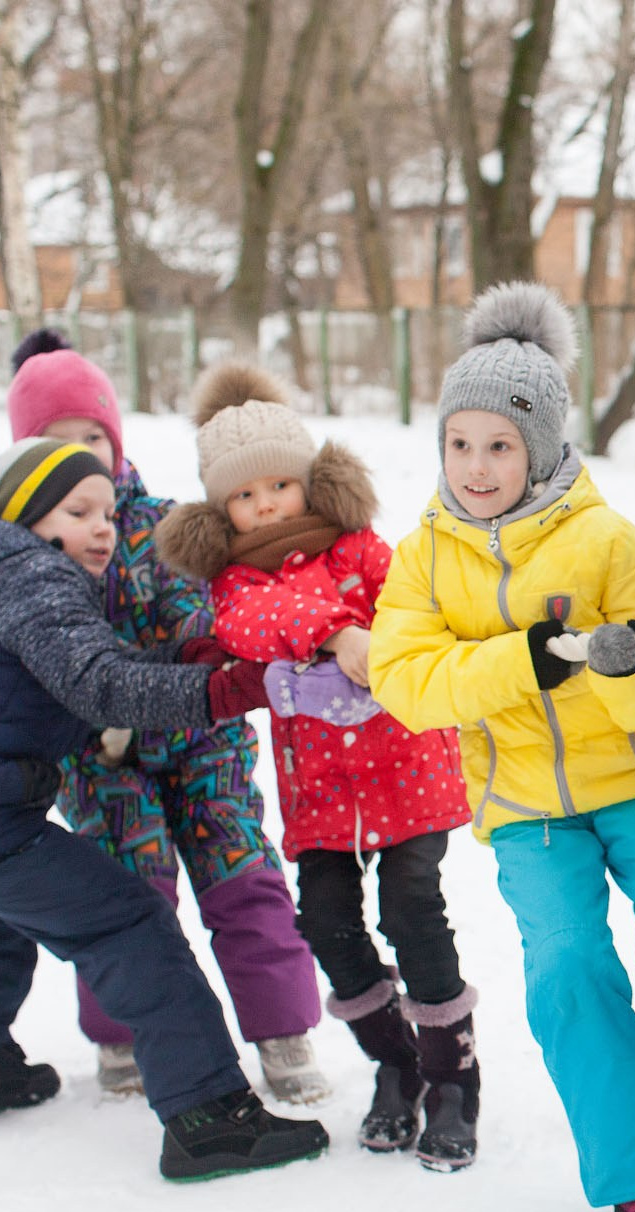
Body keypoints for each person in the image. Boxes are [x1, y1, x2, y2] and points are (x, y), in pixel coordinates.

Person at [369, 281, 635, 1212]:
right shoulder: (424, 554)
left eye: (500, 445)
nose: (476, 467)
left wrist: (628, 660)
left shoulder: (603, 537)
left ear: (543, 445)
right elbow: (407, 679)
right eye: (459, 444)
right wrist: (529, 659)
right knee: (569, 971)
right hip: (524, 808)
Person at [0, 437, 328, 1179]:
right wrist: (229, 690)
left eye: (108, 511)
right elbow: (99, 684)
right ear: (26, 516)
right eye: (79, 511)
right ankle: (209, 1116)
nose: (104, 527)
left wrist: (189, 662)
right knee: (128, 922)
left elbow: (80, 677)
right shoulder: (32, 575)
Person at [153, 363, 477, 1167]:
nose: (265, 505)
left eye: (278, 486)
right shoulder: (235, 582)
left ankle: (453, 1079)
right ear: (222, 510)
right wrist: (339, 636)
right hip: (323, 793)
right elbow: (253, 622)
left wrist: (383, 643)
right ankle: (394, 1064)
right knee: (328, 921)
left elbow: (409, 608)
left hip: (409, 771)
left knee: (411, 909)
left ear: (309, 483)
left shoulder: (363, 548)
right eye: (244, 495)